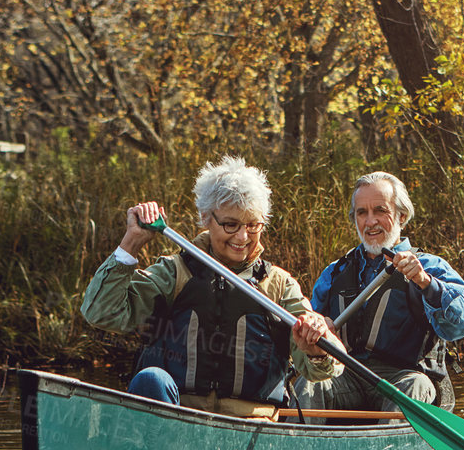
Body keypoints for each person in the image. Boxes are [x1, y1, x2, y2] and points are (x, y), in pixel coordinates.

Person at [80, 155, 341, 417]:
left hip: (252, 428)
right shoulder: (174, 273)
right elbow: (100, 312)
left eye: (253, 225)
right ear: (206, 218)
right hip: (179, 421)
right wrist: (131, 244)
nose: (242, 237)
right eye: (230, 224)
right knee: (151, 380)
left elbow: (324, 370)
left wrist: (318, 351)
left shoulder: (280, 286)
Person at [301, 171, 464, 414]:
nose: (370, 221)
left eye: (380, 211)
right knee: (309, 385)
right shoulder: (334, 273)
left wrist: (425, 282)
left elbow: (462, 325)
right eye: (362, 213)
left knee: (412, 387)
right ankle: (304, 447)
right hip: (348, 376)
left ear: (401, 216)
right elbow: (309, 328)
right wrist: (317, 328)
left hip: (405, 378)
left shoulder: (431, 266)